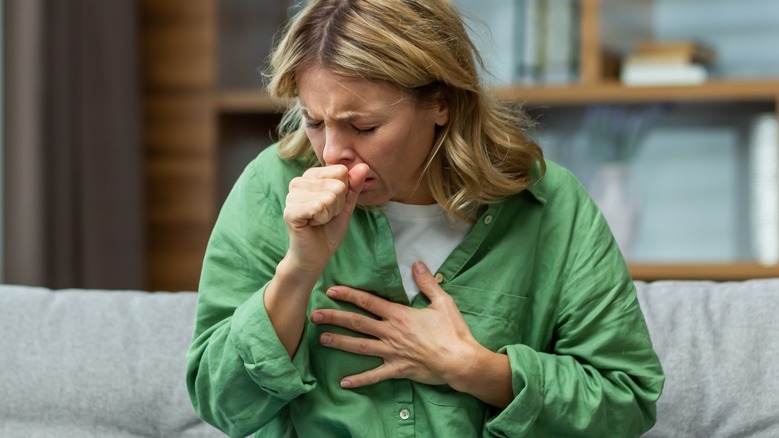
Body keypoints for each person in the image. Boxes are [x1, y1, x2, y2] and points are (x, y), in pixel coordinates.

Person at [186, 0, 665, 436]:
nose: (332, 153)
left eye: (364, 126)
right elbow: (221, 403)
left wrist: (476, 369)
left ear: (442, 103)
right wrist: (298, 270)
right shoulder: (270, 188)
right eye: (315, 122)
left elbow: (625, 400)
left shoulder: (549, 204)